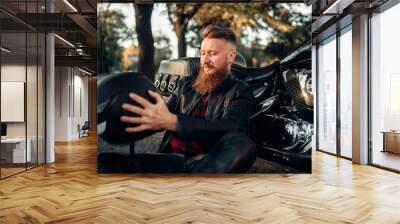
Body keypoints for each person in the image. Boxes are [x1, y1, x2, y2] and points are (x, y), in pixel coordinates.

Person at [98, 26, 256, 173]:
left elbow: (230, 126)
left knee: (243, 143)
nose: (205, 60)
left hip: (209, 161)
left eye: (213, 53)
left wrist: (174, 122)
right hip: (173, 160)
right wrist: (131, 114)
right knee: (103, 161)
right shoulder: (185, 84)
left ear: (231, 56)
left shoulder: (241, 90)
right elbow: (163, 114)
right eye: (202, 53)